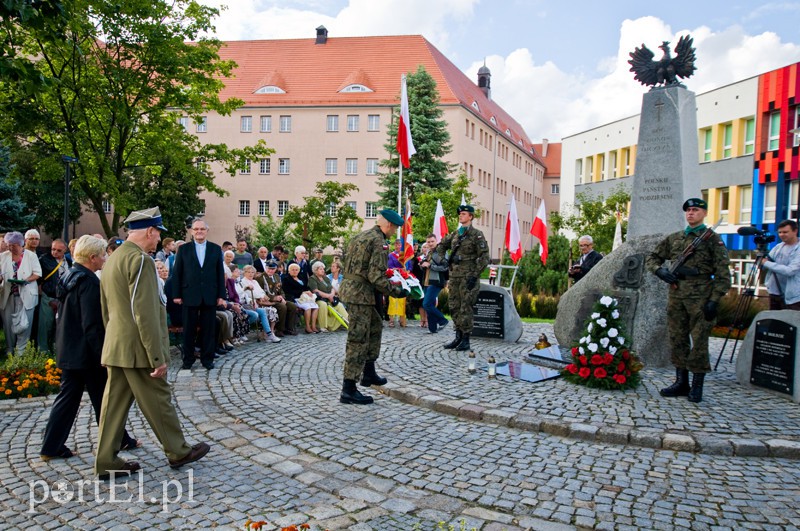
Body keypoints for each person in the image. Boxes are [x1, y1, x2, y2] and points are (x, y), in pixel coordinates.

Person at [95, 207, 210, 480]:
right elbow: (144, 312)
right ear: (149, 231)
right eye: (158, 233)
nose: (159, 239)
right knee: (159, 398)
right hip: (138, 349)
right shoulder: (141, 261)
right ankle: (178, 450)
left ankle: (105, 461)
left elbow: (106, 309)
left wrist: (109, 342)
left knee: (112, 408)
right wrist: (156, 356)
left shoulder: (113, 259)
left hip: (118, 345)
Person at [40, 235, 139, 461]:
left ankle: (51, 446)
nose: (105, 258)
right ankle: (120, 440)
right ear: (92, 257)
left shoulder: (69, 276)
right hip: (86, 353)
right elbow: (91, 324)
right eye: (103, 255)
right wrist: (102, 353)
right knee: (105, 400)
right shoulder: (88, 282)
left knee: (73, 399)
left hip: (70, 348)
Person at [646, 198, 731, 404]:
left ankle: (697, 385)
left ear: (704, 213)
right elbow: (652, 258)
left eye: (695, 210)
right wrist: (661, 271)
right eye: (688, 210)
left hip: (701, 297)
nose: (691, 213)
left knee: (699, 342)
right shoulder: (675, 238)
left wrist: (714, 300)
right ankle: (681, 382)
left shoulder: (712, 239)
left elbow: (723, 274)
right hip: (676, 295)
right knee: (677, 339)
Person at [339, 209, 408, 405]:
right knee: (358, 339)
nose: (394, 232)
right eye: (394, 228)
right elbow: (375, 276)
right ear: (388, 225)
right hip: (360, 294)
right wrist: (397, 291)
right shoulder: (379, 243)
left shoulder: (361, 236)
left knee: (375, 326)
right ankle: (348, 388)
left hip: (352, 289)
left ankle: (368, 372)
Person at [171, 218, 226, 371]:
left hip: (210, 294)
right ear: (191, 231)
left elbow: (219, 273)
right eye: (196, 229)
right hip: (189, 294)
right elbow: (177, 273)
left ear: (207, 231)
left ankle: (207, 359)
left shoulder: (215, 249)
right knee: (188, 329)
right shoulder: (184, 249)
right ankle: (187, 360)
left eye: (202, 229)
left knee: (209, 329)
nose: (199, 232)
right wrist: (177, 294)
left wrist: (221, 295)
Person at [435, 204, 490, 351]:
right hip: (454, 276)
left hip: (468, 277)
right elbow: (440, 246)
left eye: (464, 214)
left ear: (471, 217)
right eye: (460, 214)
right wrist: (442, 260)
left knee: (466, 307)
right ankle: (458, 336)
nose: (461, 216)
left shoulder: (476, 235)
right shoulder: (455, 234)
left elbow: (484, 257)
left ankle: (466, 339)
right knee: (454, 306)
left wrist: (475, 274)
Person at [0, 231, 42, 354]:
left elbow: (37, 274)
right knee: (8, 324)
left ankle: (21, 352)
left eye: (13, 245)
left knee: (24, 323)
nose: (10, 247)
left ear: (20, 244)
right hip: (7, 294)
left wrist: (25, 280)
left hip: (26, 294)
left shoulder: (30, 256)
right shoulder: (3, 256)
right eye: (8, 245)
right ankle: (10, 349)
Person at [36, 239, 71, 353]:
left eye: (59, 250)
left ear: (65, 250)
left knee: (60, 325)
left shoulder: (69, 261)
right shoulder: (44, 260)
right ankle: (43, 350)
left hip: (63, 298)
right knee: (45, 325)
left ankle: (57, 350)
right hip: (49, 296)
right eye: (53, 249)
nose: (55, 252)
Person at [762, 219, 800, 310]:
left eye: (785, 232)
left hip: (793, 297)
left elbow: (790, 271)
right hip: (774, 293)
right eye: (780, 232)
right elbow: (764, 263)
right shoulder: (778, 247)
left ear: (795, 231)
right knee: (775, 322)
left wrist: (766, 263)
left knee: (790, 322)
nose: (782, 235)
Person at [240, 265, 281, 342]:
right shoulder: (243, 281)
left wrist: (263, 296)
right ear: (244, 273)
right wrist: (260, 297)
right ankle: (268, 334)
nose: (250, 274)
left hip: (260, 302)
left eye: (252, 272)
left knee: (273, 310)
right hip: (250, 304)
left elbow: (262, 291)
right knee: (268, 310)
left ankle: (270, 333)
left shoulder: (255, 281)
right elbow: (249, 293)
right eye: (248, 272)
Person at [420, 234, 449, 334]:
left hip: (436, 281)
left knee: (426, 304)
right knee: (430, 304)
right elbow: (427, 267)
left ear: (436, 241)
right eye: (428, 242)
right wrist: (423, 264)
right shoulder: (429, 253)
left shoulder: (441, 252)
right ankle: (432, 328)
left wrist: (430, 265)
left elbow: (445, 267)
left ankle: (443, 320)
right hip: (427, 281)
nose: (430, 243)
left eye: (432, 241)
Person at [309, 260, 348, 332]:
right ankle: (322, 326)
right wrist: (328, 296)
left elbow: (332, 288)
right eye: (321, 269)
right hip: (318, 299)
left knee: (339, 305)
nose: (323, 270)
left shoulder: (325, 278)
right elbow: (315, 290)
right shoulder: (312, 278)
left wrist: (331, 295)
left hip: (329, 298)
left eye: (323, 269)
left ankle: (347, 322)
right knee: (323, 305)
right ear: (315, 270)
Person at [261, 260, 297, 336]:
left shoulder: (277, 276)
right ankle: (280, 329)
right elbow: (262, 292)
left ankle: (289, 328)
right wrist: (274, 298)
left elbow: (281, 290)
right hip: (268, 301)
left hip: (279, 299)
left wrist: (282, 297)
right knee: (282, 307)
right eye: (268, 268)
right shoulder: (261, 277)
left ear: (275, 269)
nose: (270, 270)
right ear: (265, 268)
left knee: (292, 306)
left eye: (273, 269)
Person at [282, 262, 319, 334]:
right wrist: (302, 292)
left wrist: (308, 291)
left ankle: (313, 326)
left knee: (316, 306)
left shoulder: (301, 278)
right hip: (295, 298)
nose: (295, 271)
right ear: (289, 271)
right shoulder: (286, 279)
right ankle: (307, 327)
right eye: (292, 270)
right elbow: (288, 291)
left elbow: (306, 287)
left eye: (296, 270)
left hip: (305, 298)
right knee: (307, 307)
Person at [387, 239, 409, 328]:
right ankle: (391, 319)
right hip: (395, 279)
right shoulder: (391, 255)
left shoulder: (406, 255)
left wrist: (406, 270)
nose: (398, 246)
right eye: (396, 245)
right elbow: (390, 266)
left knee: (402, 299)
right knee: (392, 299)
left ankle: (402, 319)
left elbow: (409, 266)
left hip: (403, 279)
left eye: (399, 245)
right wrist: (398, 269)